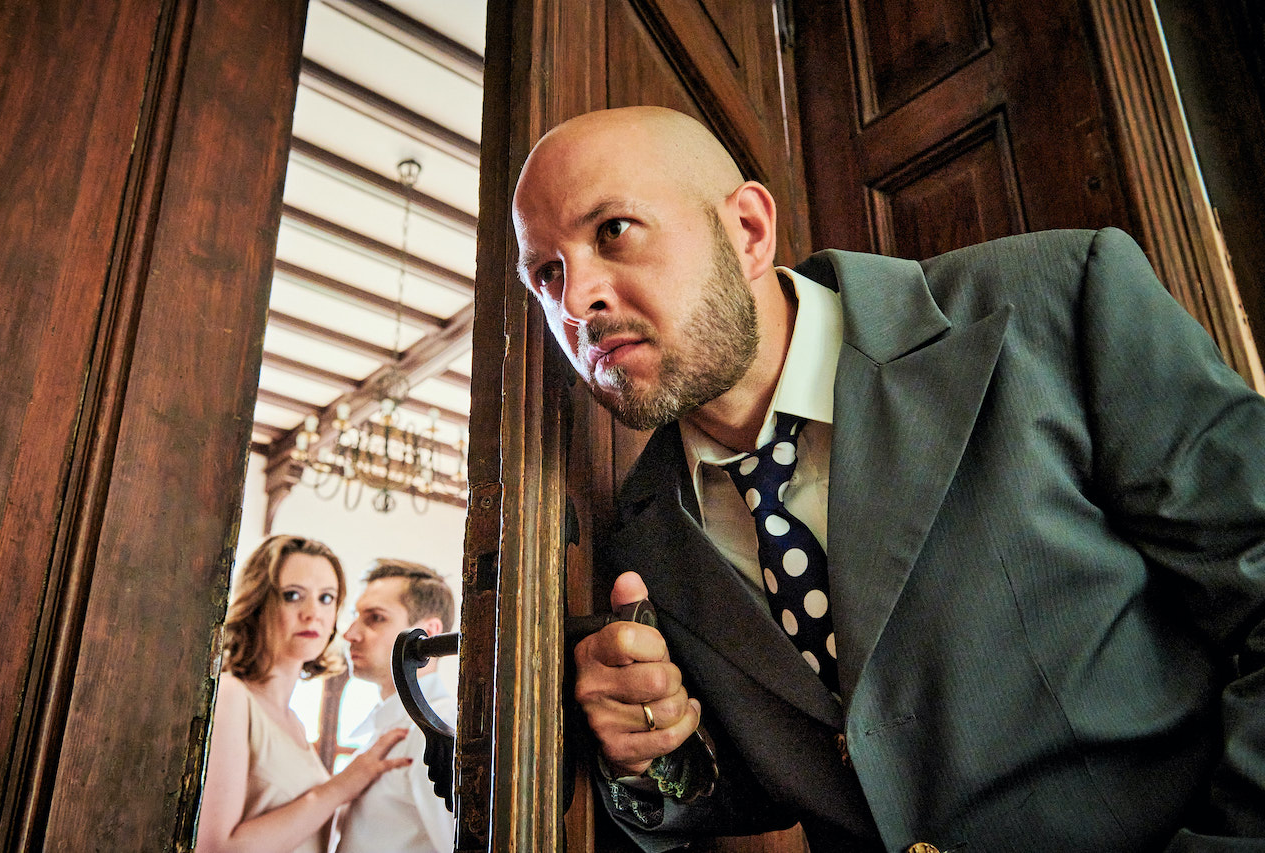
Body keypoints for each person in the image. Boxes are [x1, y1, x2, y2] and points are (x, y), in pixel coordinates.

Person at [510, 106, 1265, 852]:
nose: (574, 302)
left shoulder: (1059, 300)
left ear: (747, 230)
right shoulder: (641, 535)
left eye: (613, 230)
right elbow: (792, 774)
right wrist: (652, 755)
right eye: (546, 273)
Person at [195, 535, 413, 853]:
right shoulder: (232, 696)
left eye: (326, 598)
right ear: (258, 604)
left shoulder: (294, 723)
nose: (313, 613)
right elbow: (214, 848)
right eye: (293, 595)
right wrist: (341, 787)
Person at [336, 559, 457, 853]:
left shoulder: (438, 728)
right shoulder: (384, 728)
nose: (350, 634)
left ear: (428, 633)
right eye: (355, 616)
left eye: (375, 618)